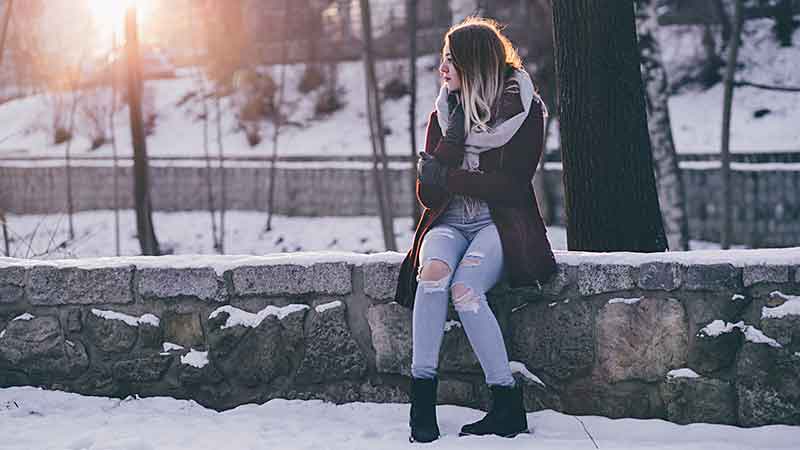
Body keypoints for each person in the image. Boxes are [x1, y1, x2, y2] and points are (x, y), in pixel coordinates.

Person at [393, 17, 558, 443]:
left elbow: (511, 184)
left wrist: (449, 176)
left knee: (466, 290)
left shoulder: (525, 112)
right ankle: (422, 405)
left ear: (474, 63)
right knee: (431, 280)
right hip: (449, 223)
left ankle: (506, 404)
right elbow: (429, 198)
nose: (442, 69)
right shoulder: (443, 113)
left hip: (498, 223)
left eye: (450, 60)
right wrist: (441, 160)